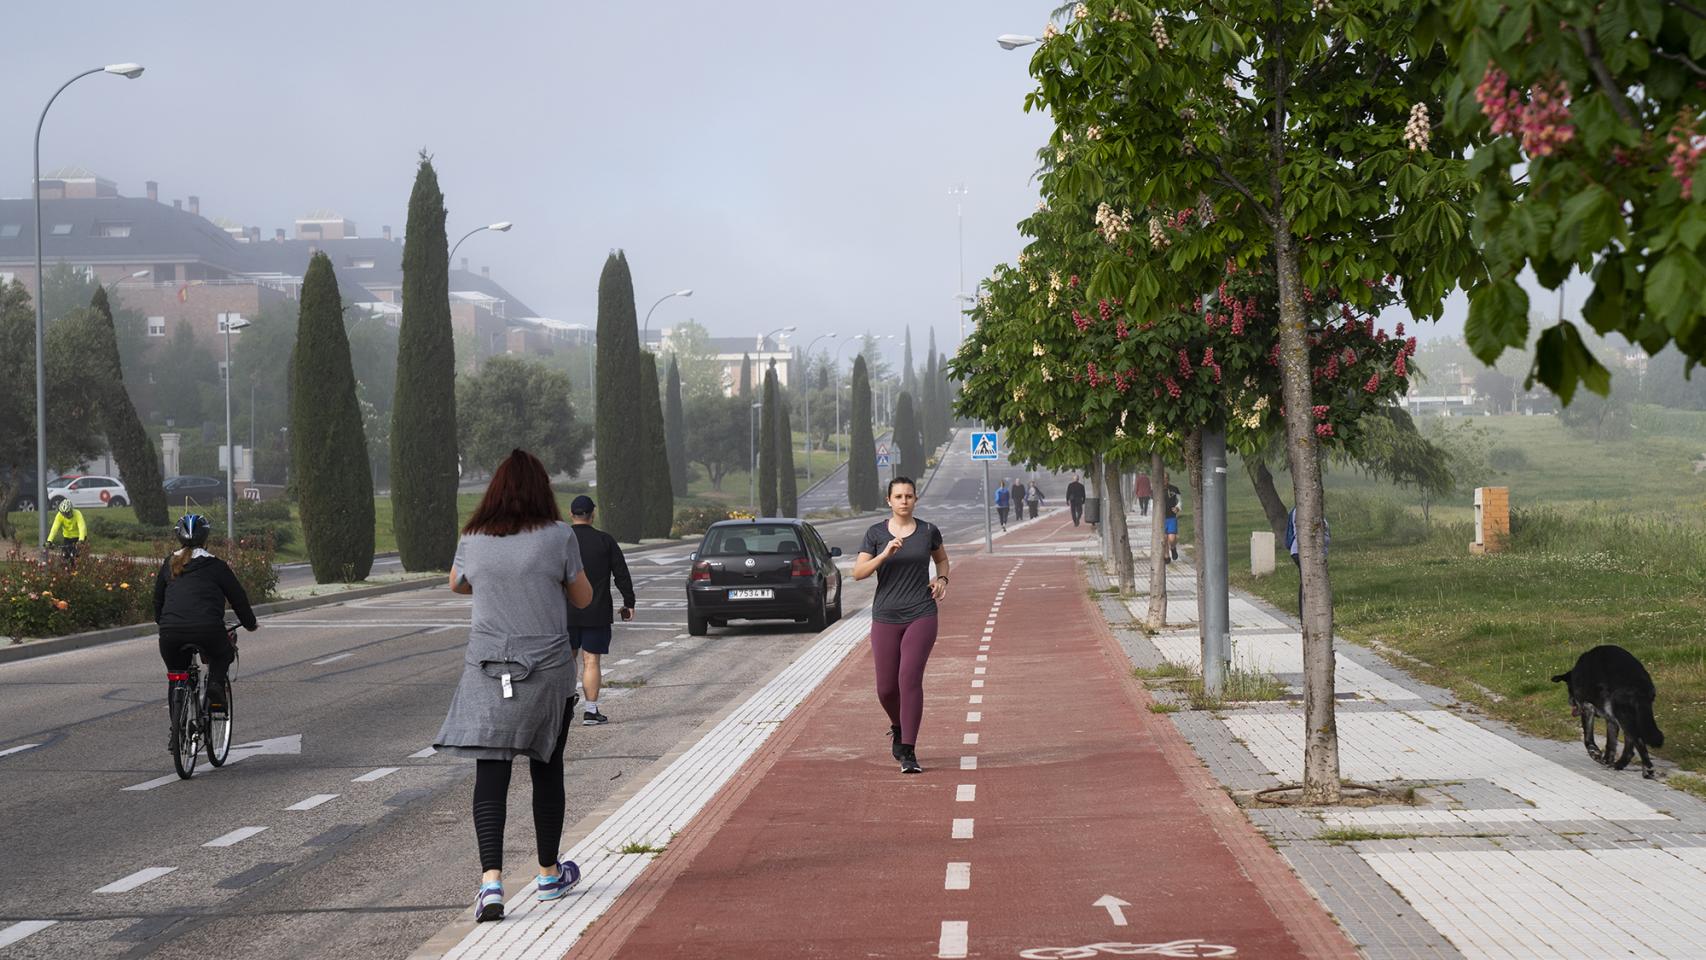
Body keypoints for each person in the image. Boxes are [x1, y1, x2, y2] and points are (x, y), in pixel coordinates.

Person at [435, 449, 596, 923]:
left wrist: (494, 581)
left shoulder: (474, 537)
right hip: (547, 673)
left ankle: (491, 884)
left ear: (495, 491)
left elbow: (456, 584)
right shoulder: (559, 536)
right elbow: (583, 598)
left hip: (488, 669)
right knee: (547, 768)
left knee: (491, 773)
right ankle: (548, 875)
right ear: (542, 490)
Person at [854, 476, 950, 775]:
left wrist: (942, 579)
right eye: (898, 496)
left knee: (909, 679)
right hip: (885, 616)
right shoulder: (875, 533)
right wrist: (884, 554)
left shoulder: (928, 531)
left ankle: (908, 750)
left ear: (915, 499)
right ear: (889, 500)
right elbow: (858, 573)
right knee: (885, 688)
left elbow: (942, 560)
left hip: (921, 613)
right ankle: (898, 726)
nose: (904, 501)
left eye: (909, 496)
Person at [153, 513, 257, 732]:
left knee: (177, 676)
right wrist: (249, 623)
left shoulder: (169, 564)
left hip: (171, 633)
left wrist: (164, 623)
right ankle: (215, 685)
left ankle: (177, 731)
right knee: (223, 653)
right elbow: (238, 597)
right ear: (206, 537)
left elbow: (157, 600)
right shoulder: (216, 566)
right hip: (207, 629)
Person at [565, 495, 635, 726]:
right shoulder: (605, 540)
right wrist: (629, 602)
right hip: (596, 611)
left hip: (565, 612)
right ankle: (591, 711)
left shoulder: (561, 541)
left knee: (566, 660)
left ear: (571, 514)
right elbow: (621, 574)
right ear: (592, 514)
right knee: (591, 661)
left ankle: (563, 708)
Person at [1285, 505, 1331, 620]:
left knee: (1307, 582)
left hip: (1307, 552)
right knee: (1308, 582)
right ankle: (1307, 617)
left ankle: (1310, 615)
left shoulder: (1310, 508)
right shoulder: (1305, 509)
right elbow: (1310, 531)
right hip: (1304, 552)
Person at [46, 498, 88, 566]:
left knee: (77, 556)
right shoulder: (59, 515)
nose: (65, 516)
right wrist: (49, 541)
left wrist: (81, 540)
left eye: (67, 513)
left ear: (71, 510)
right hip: (67, 537)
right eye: (63, 514)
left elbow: (82, 527)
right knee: (65, 556)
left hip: (79, 537)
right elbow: (54, 528)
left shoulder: (77, 514)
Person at [1164, 482, 1182, 562]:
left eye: (1167, 478)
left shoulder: (1174, 489)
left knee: (1171, 538)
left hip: (1171, 517)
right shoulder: (1157, 489)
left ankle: (1173, 547)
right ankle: (1166, 555)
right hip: (1161, 518)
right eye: (1164, 478)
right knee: (1164, 538)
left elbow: (1180, 501)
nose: (1165, 480)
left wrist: (1178, 508)